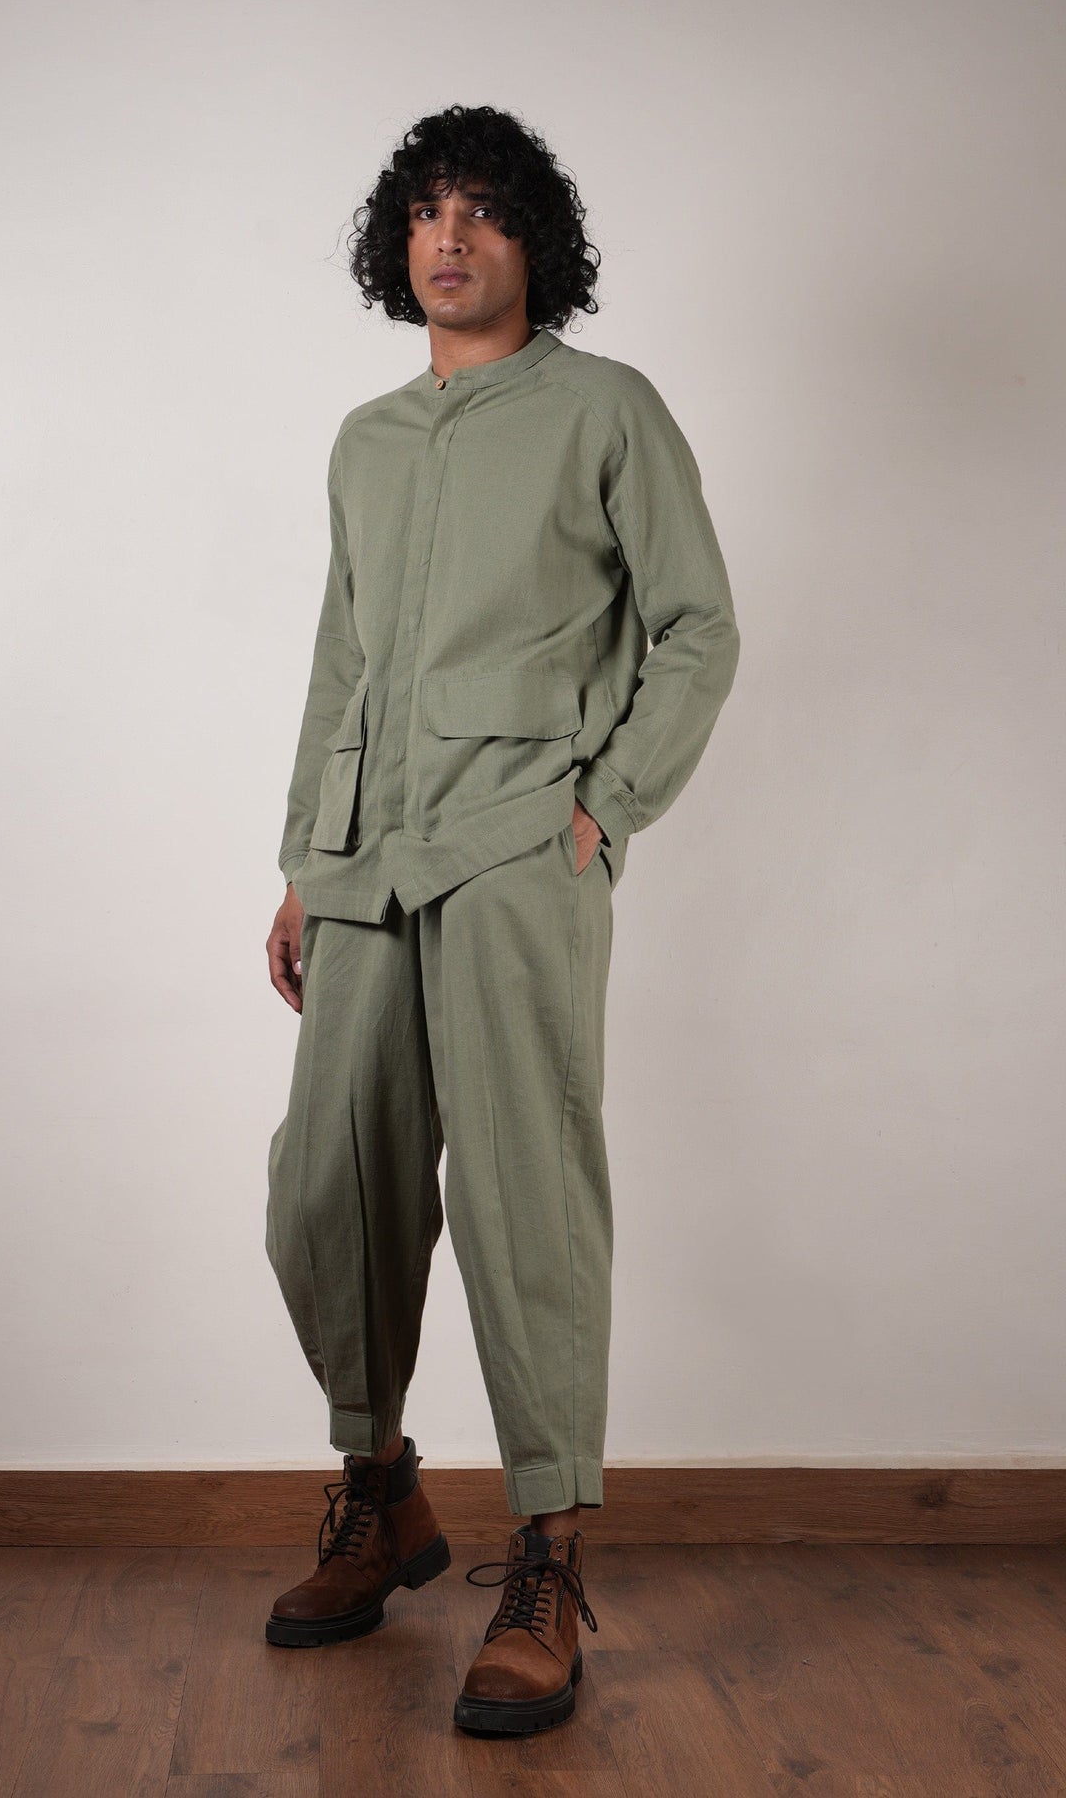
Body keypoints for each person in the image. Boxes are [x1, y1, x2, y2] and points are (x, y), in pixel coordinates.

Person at [262, 102, 740, 1735]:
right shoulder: (366, 441)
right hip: (365, 862)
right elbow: (344, 664)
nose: (450, 236)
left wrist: (609, 805)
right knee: (327, 1184)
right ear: (395, 245)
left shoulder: (606, 410)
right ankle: (380, 1489)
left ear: (537, 239)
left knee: (524, 1197)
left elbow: (697, 626)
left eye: (481, 208)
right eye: (424, 210)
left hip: (522, 848)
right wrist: (301, 860)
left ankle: (547, 1558)